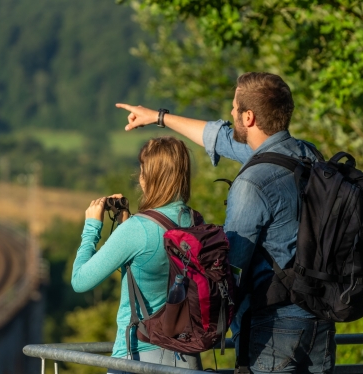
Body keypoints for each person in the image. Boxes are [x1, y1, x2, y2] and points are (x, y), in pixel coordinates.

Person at [116, 72, 336, 374]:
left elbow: (231, 267)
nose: (230, 114)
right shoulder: (307, 155)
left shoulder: (253, 182)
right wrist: (158, 117)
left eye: (234, 108)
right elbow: (218, 138)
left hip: (273, 326)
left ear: (248, 117)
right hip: (319, 317)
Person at [71, 136, 202, 372]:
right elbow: (151, 265)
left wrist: (91, 228)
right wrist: (125, 223)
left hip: (139, 358)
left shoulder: (138, 229)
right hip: (188, 358)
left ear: (149, 176)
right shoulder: (195, 222)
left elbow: (80, 281)